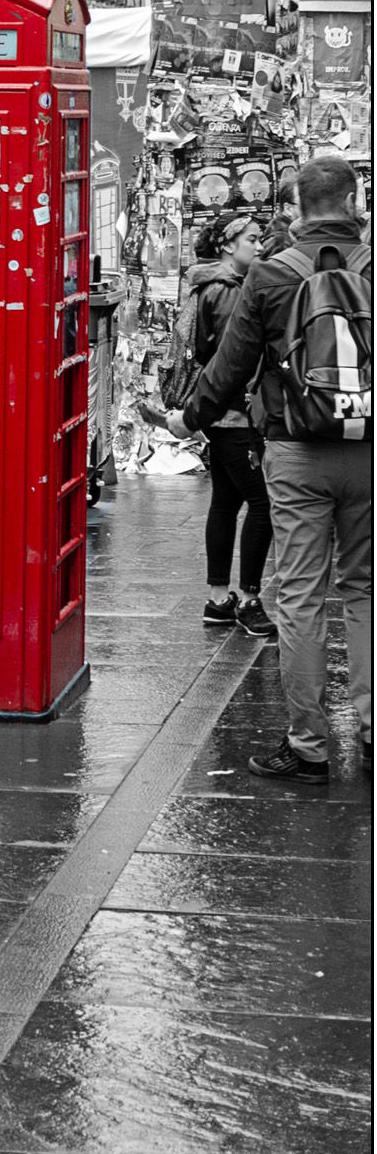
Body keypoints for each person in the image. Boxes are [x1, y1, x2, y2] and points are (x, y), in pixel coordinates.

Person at [173, 156, 372, 782]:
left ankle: (310, 745)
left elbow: (229, 368)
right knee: (364, 590)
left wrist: (188, 418)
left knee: (301, 597)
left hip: (294, 451)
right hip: (368, 451)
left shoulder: (270, 274)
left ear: (296, 205)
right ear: (355, 199)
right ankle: (370, 728)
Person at [183, 213, 275, 638]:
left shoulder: (220, 285)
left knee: (225, 501)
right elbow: (229, 359)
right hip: (233, 414)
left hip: (221, 413)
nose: (259, 247)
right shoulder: (226, 292)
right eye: (252, 240)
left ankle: (220, 600)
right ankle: (249, 599)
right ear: (227, 245)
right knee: (263, 504)